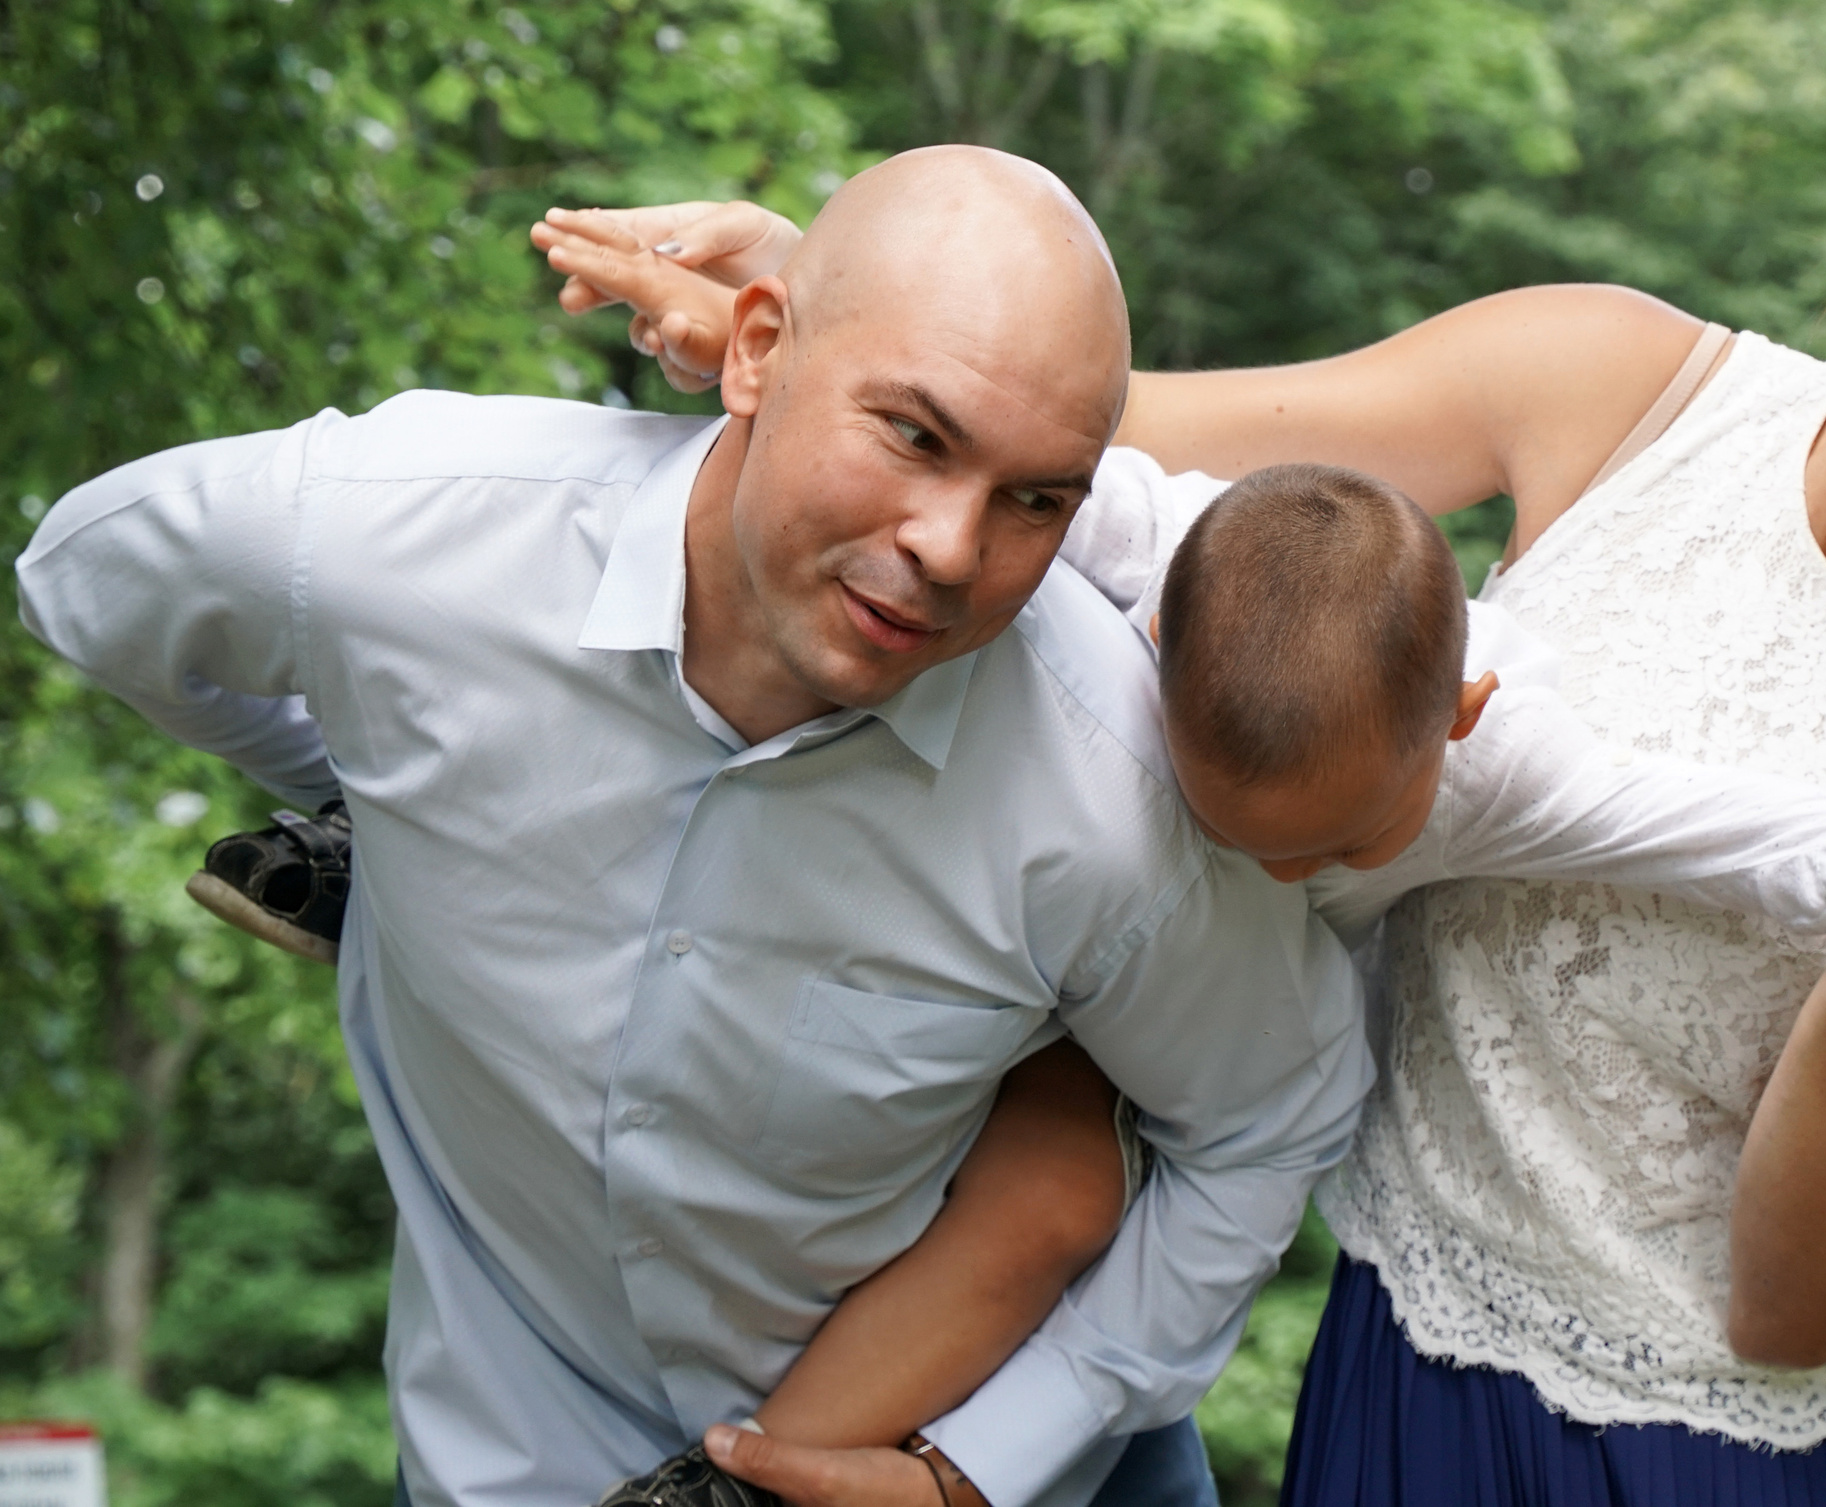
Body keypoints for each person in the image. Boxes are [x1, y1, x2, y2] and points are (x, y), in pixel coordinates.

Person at [535, 0, 1826, 1505]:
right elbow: (1114, 431)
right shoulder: (1609, 378)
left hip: (1723, 1457)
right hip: (1396, 1366)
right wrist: (818, 275)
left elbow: (1794, 1301)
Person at [16, 146, 1381, 1507]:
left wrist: (976, 1471)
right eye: (915, 436)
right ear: (757, 350)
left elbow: (1274, 1116)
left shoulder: (1107, 796)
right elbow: (87, 574)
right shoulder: (406, 541)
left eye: (1037, 499)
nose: (955, 549)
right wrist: (367, 790)